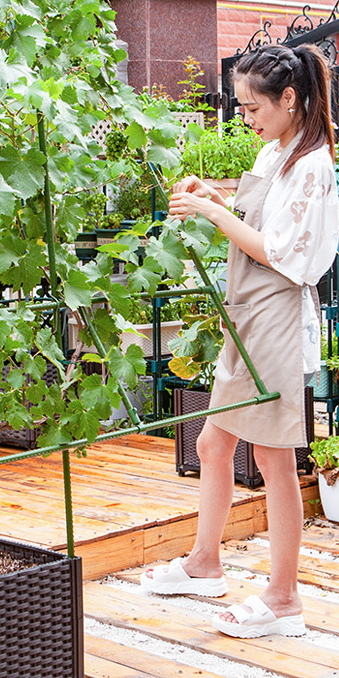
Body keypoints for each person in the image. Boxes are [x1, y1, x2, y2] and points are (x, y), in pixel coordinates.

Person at [141, 43, 339, 638]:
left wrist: (211, 213)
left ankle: (284, 600)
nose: (245, 116)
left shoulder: (315, 165)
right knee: (212, 446)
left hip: (275, 317)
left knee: (275, 462)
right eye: (240, 105)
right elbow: (261, 223)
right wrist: (222, 199)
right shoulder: (277, 151)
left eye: (253, 106)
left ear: (290, 99)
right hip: (246, 315)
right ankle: (205, 564)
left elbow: (282, 252)